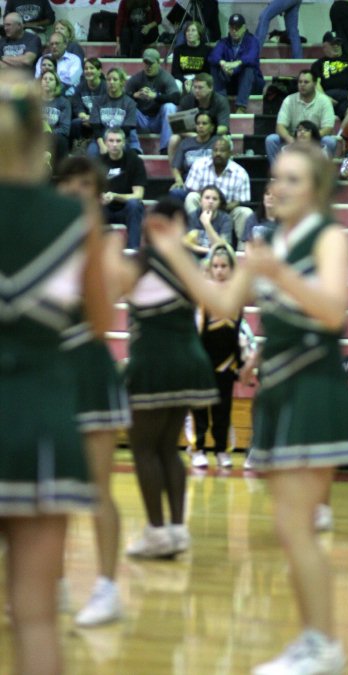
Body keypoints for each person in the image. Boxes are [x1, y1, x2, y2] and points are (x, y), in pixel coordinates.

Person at [146, 141, 348, 675]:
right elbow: (223, 303)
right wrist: (177, 252)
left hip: (315, 387)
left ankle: (323, 644)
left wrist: (278, 273)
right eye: (278, 178)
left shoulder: (329, 237)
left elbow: (334, 310)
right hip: (279, 390)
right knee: (291, 528)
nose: (281, 187)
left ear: (316, 187)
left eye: (294, 179)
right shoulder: (268, 242)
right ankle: (313, 640)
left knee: (297, 527)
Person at [0, 71, 110, 675]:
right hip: (44, 419)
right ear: (40, 136)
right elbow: (98, 322)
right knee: (36, 613)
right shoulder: (75, 221)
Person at [55, 155, 130, 628]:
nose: (78, 191)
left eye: (88, 185)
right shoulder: (43, 237)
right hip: (49, 370)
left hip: (89, 364)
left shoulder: (104, 242)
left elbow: (106, 298)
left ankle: (106, 587)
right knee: (51, 487)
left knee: (97, 488)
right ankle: (53, 580)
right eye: (70, 183)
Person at [124, 198, 219, 559]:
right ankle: (177, 530)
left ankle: (156, 531)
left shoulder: (144, 261)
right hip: (188, 360)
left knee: (143, 447)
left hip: (155, 361)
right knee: (167, 446)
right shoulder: (190, 264)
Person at [191, 244, 251, 470]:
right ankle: (197, 448)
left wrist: (243, 357)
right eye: (215, 266)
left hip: (227, 360)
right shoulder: (203, 293)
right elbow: (197, 328)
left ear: (231, 269)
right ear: (209, 269)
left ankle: (220, 450)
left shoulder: (237, 294)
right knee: (199, 408)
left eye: (224, 266)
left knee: (222, 409)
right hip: (202, 358)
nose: (219, 270)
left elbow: (238, 330)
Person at [184, 137, 253, 248]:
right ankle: (195, 235)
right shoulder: (199, 165)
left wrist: (218, 207)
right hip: (202, 208)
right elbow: (193, 189)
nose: (218, 153)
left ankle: (242, 252)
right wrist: (207, 205)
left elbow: (239, 201)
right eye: (215, 150)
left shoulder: (240, 173)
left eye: (222, 151)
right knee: (191, 197)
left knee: (246, 212)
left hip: (227, 210)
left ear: (230, 153)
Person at [265, 70, 337, 164]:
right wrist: (291, 139)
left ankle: (322, 175)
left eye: (306, 82)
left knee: (330, 141)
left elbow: (328, 128)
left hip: (315, 140)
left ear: (315, 84)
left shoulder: (324, 101)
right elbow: (280, 127)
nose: (302, 84)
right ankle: (278, 174)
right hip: (293, 140)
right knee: (271, 140)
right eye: (300, 82)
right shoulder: (289, 100)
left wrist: (310, 138)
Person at [125, 48, 180, 154]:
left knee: (170, 106)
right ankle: (134, 147)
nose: (148, 67)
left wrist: (155, 96)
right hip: (142, 120)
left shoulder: (165, 77)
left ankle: (165, 148)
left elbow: (176, 98)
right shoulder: (137, 78)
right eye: (145, 63)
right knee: (128, 106)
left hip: (158, 120)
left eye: (151, 63)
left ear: (158, 62)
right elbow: (121, 98)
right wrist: (135, 95)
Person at [169, 72, 230, 166]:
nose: (196, 90)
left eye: (200, 87)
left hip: (213, 135)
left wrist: (206, 133)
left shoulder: (221, 101)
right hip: (192, 135)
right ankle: (176, 175)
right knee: (174, 139)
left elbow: (223, 128)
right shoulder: (187, 100)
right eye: (195, 87)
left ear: (211, 88)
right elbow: (177, 126)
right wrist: (195, 135)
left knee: (226, 139)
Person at [100, 127, 147, 249]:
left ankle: (133, 250)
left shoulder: (135, 161)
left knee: (134, 204)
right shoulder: (98, 162)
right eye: (111, 141)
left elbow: (138, 195)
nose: (114, 144)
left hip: (126, 210)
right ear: (105, 143)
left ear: (124, 142)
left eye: (118, 141)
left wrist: (115, 196)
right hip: (106, 209)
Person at [209, 14, 265, 114]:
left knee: (249, 68)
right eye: (232, 28)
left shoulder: (253, 41)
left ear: (244, 28)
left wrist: (236, 65)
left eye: (237, 28)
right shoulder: (224, 42)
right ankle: (221, 104)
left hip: (251, 84)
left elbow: (251, 58)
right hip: (231, 82)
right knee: (215, 66)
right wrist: (222, 63)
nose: (234, 31)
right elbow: (213, 56)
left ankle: (241, 108)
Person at [311, 31, 348, 120]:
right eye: (333, 43)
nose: (337, 46)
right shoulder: (318, 64)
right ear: (325, 46)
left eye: (338, 43)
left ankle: (341, 133)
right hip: (327, 96)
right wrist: (324, 98)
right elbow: (316, 84)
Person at [88, 67, 142, 156]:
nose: (111, 82)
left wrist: (114, 143)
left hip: (120, 138)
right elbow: (96, 127)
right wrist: (102, 145)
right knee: (92, 152)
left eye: (115, 79)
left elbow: (127, 129)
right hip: (101, 138)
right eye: (109, 80)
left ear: (122, 82)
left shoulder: (130, 103)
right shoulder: (98, 101)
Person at [170, 112, 219, 197]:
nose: (200, 126)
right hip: (190, 184)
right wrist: (179, 180)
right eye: (198, 123)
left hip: (212, 184)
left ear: (212, 127)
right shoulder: (185, 143)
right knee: (175, 192)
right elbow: (176, 166)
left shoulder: (218, 142)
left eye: (204, 123)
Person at [186, 185, 233, 255]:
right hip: (195, 257)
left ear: (219, 203)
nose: (210, 201)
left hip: (217, 259)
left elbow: (222, 248)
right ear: (200, 201)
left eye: (215, 199)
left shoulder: (225, 219)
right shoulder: (192, 216)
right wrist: (209, 251)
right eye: (207, 198)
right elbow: (187, 244)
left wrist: (207, 224)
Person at [70, 57, 107, 143]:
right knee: (75, 123)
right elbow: (77, 107)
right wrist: (84, 116)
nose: (88, 71)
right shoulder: (80, 87)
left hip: (102, 119)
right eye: (86, 68)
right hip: (85, 119)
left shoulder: (106, 87)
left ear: (99, 71)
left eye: (92, 68)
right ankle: (78, 145)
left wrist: (93, 118)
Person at [35, 32, 82, 96]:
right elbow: (38, 79)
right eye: (52, 44)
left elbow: (69, 81)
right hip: (44, 96)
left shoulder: (74, 59)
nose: (54, 46)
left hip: (67, 97)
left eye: (57, 43)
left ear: (65, 44)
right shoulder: (43, 59)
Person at [41, 70, 71, 164]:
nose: (47, 81)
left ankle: (59, 174)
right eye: (45, 79)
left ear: (57, 84)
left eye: (51, 79)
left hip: (55, 136)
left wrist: (48, 133)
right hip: (36, 134)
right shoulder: (34, 101)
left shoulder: (64, 102)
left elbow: (65, 128)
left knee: (61, 140)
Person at [171, 21, 211, 93]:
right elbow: (175, 72)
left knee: (197, 88)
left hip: (199, 79)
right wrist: (185, 81)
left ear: (199, 34)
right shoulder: (178, 49)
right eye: (188, 31)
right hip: (183, 79)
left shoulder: (207, 50)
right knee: (176, 85)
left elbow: (207, 72)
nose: (190, 33)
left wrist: (194, 81)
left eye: (193, 30)